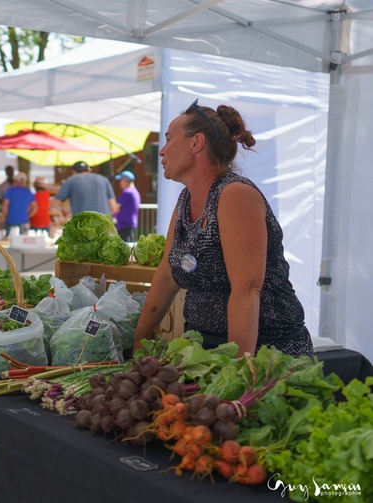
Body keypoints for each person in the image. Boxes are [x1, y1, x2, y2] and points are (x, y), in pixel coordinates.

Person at [132, 99, 313, 359]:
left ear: (197, 143)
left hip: (265, 354)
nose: (162, 151)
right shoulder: (186, 199)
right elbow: (166, 276)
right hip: (202, 349)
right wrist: (139, 343)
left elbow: (247, 290)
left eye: (170, 139)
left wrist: (237, 369)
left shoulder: (235, 194)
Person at [55, 161, 119, 216]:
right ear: (88, 170)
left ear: (73, 172)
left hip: (82, 224)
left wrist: (63, 213)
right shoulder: (104, 179)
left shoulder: (71, 180)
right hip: (103, 224)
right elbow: (114, 206)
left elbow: (54, 203)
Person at [113, 170, 141, 242]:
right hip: (129, 224)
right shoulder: (135, 191)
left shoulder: (127, 192)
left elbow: (116, 207)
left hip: (124, 225)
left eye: (120, 180)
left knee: (125, 249)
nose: (120, 183)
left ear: (126, 181)